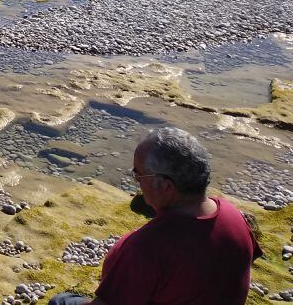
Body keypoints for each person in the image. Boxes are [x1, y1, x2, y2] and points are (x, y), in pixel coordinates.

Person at [50, 127, 261, 305]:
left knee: (60, 301)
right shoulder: (234, 216)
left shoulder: (147, 247)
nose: (137, 181)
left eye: (139, 174)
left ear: (166, 185)